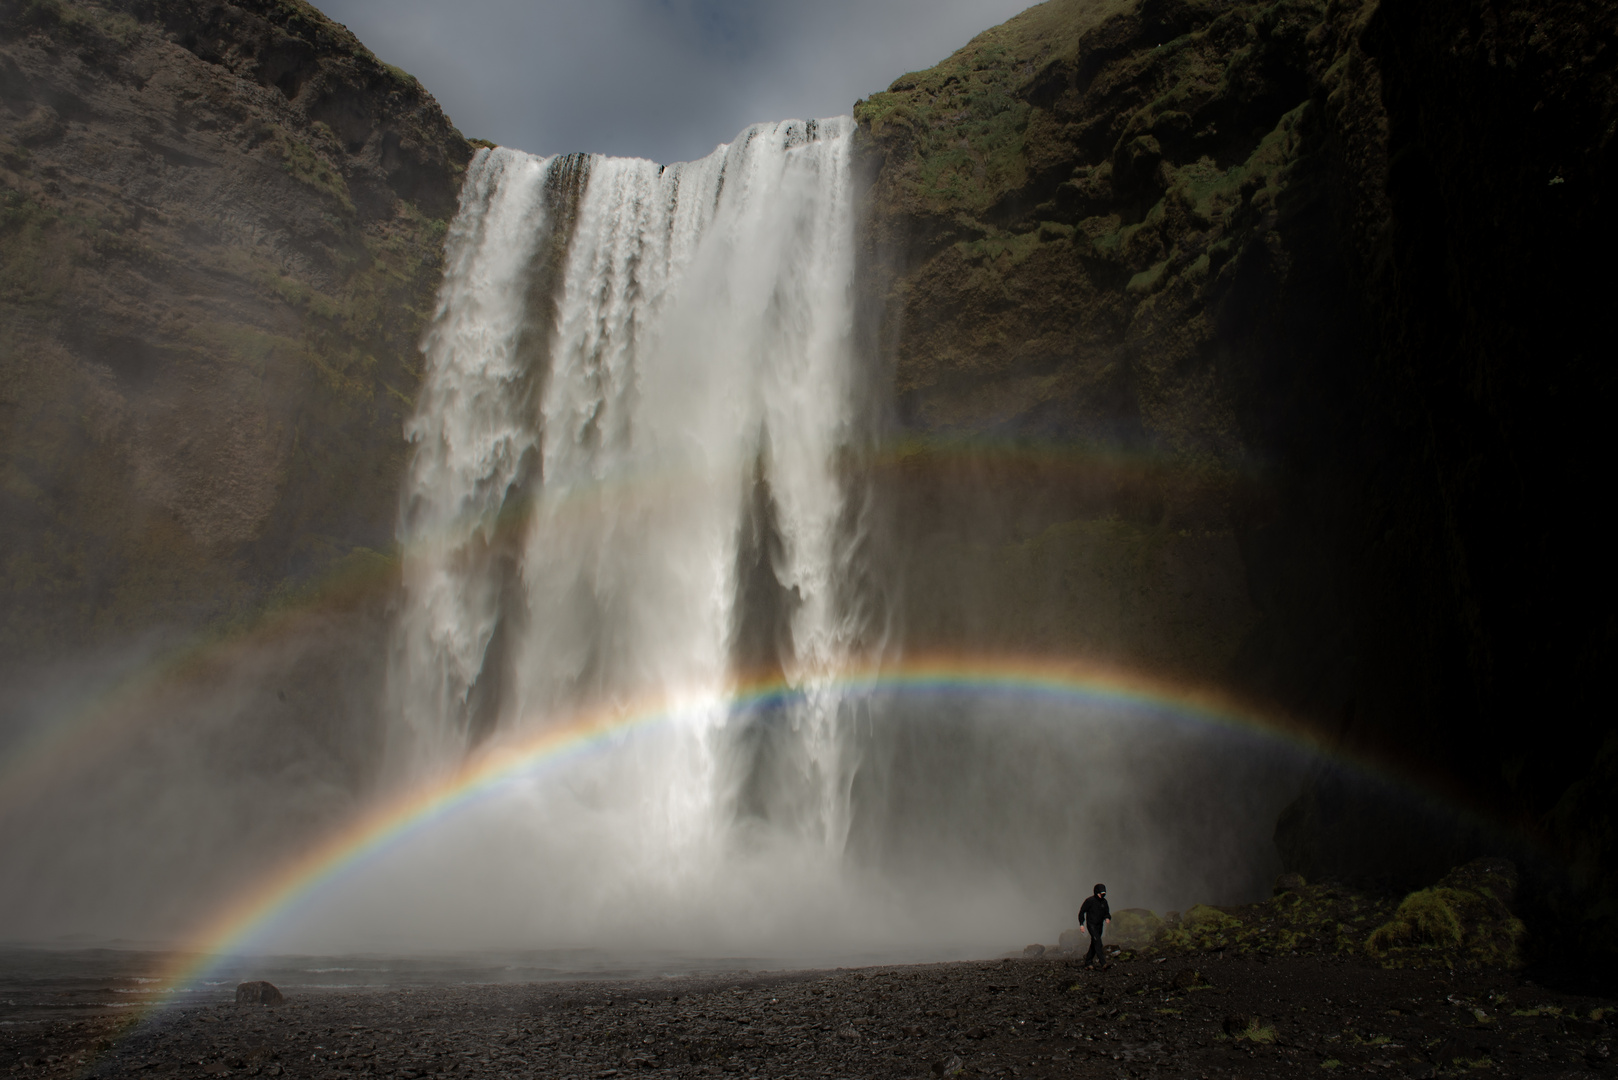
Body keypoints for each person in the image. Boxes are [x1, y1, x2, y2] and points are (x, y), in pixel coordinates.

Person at [1078, 883, 1111, 969]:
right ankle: (1103, 963)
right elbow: (1082, 912)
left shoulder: (1104, 902)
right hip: (1091, 925)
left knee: (1094, 943)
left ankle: (1088, 962)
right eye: (1100, 894)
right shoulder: (1090, 901)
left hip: (1100, 925)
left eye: (1103, 894)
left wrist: (1107, 918)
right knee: (1098, 942)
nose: (1101, 896)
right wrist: (1081, 924)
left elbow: (1106, 912)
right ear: (1096, 892)